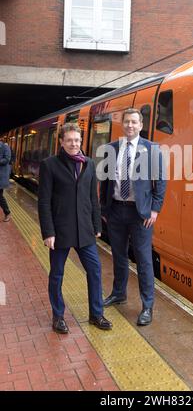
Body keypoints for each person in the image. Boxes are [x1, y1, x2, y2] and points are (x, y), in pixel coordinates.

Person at [38, 123, 112, 334]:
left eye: (77, 140)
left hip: (85, 230)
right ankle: (58, 316)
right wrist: (48, 232)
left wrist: (97, 225)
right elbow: (44, 201)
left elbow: (93, 199)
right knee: (57, 275)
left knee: (95, 271)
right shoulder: (49, 165)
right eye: (69, 140)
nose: (74, 144)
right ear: (61, 141)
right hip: (60, 231)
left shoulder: (88, 163)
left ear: (81, 141)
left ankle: (96, 314)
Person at [100, 108, 166, 326]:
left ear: (140, 124)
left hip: (141, 215)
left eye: (134, 122)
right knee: (118, 255)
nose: (130, 125)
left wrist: (155, 210)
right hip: (116, 210)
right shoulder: (111, 148)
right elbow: (106, 182)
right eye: (127, 121)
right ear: (123, 124)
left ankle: (147, 306)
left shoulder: (152, 149)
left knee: (144, 260)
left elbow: (161, 182)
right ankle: (119, 293)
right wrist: (105, 210)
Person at [0, 140, 11, 222]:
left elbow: (7, 159)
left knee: (0, 197)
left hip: (1, 176)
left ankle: (7, 213)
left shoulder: (5, 147)